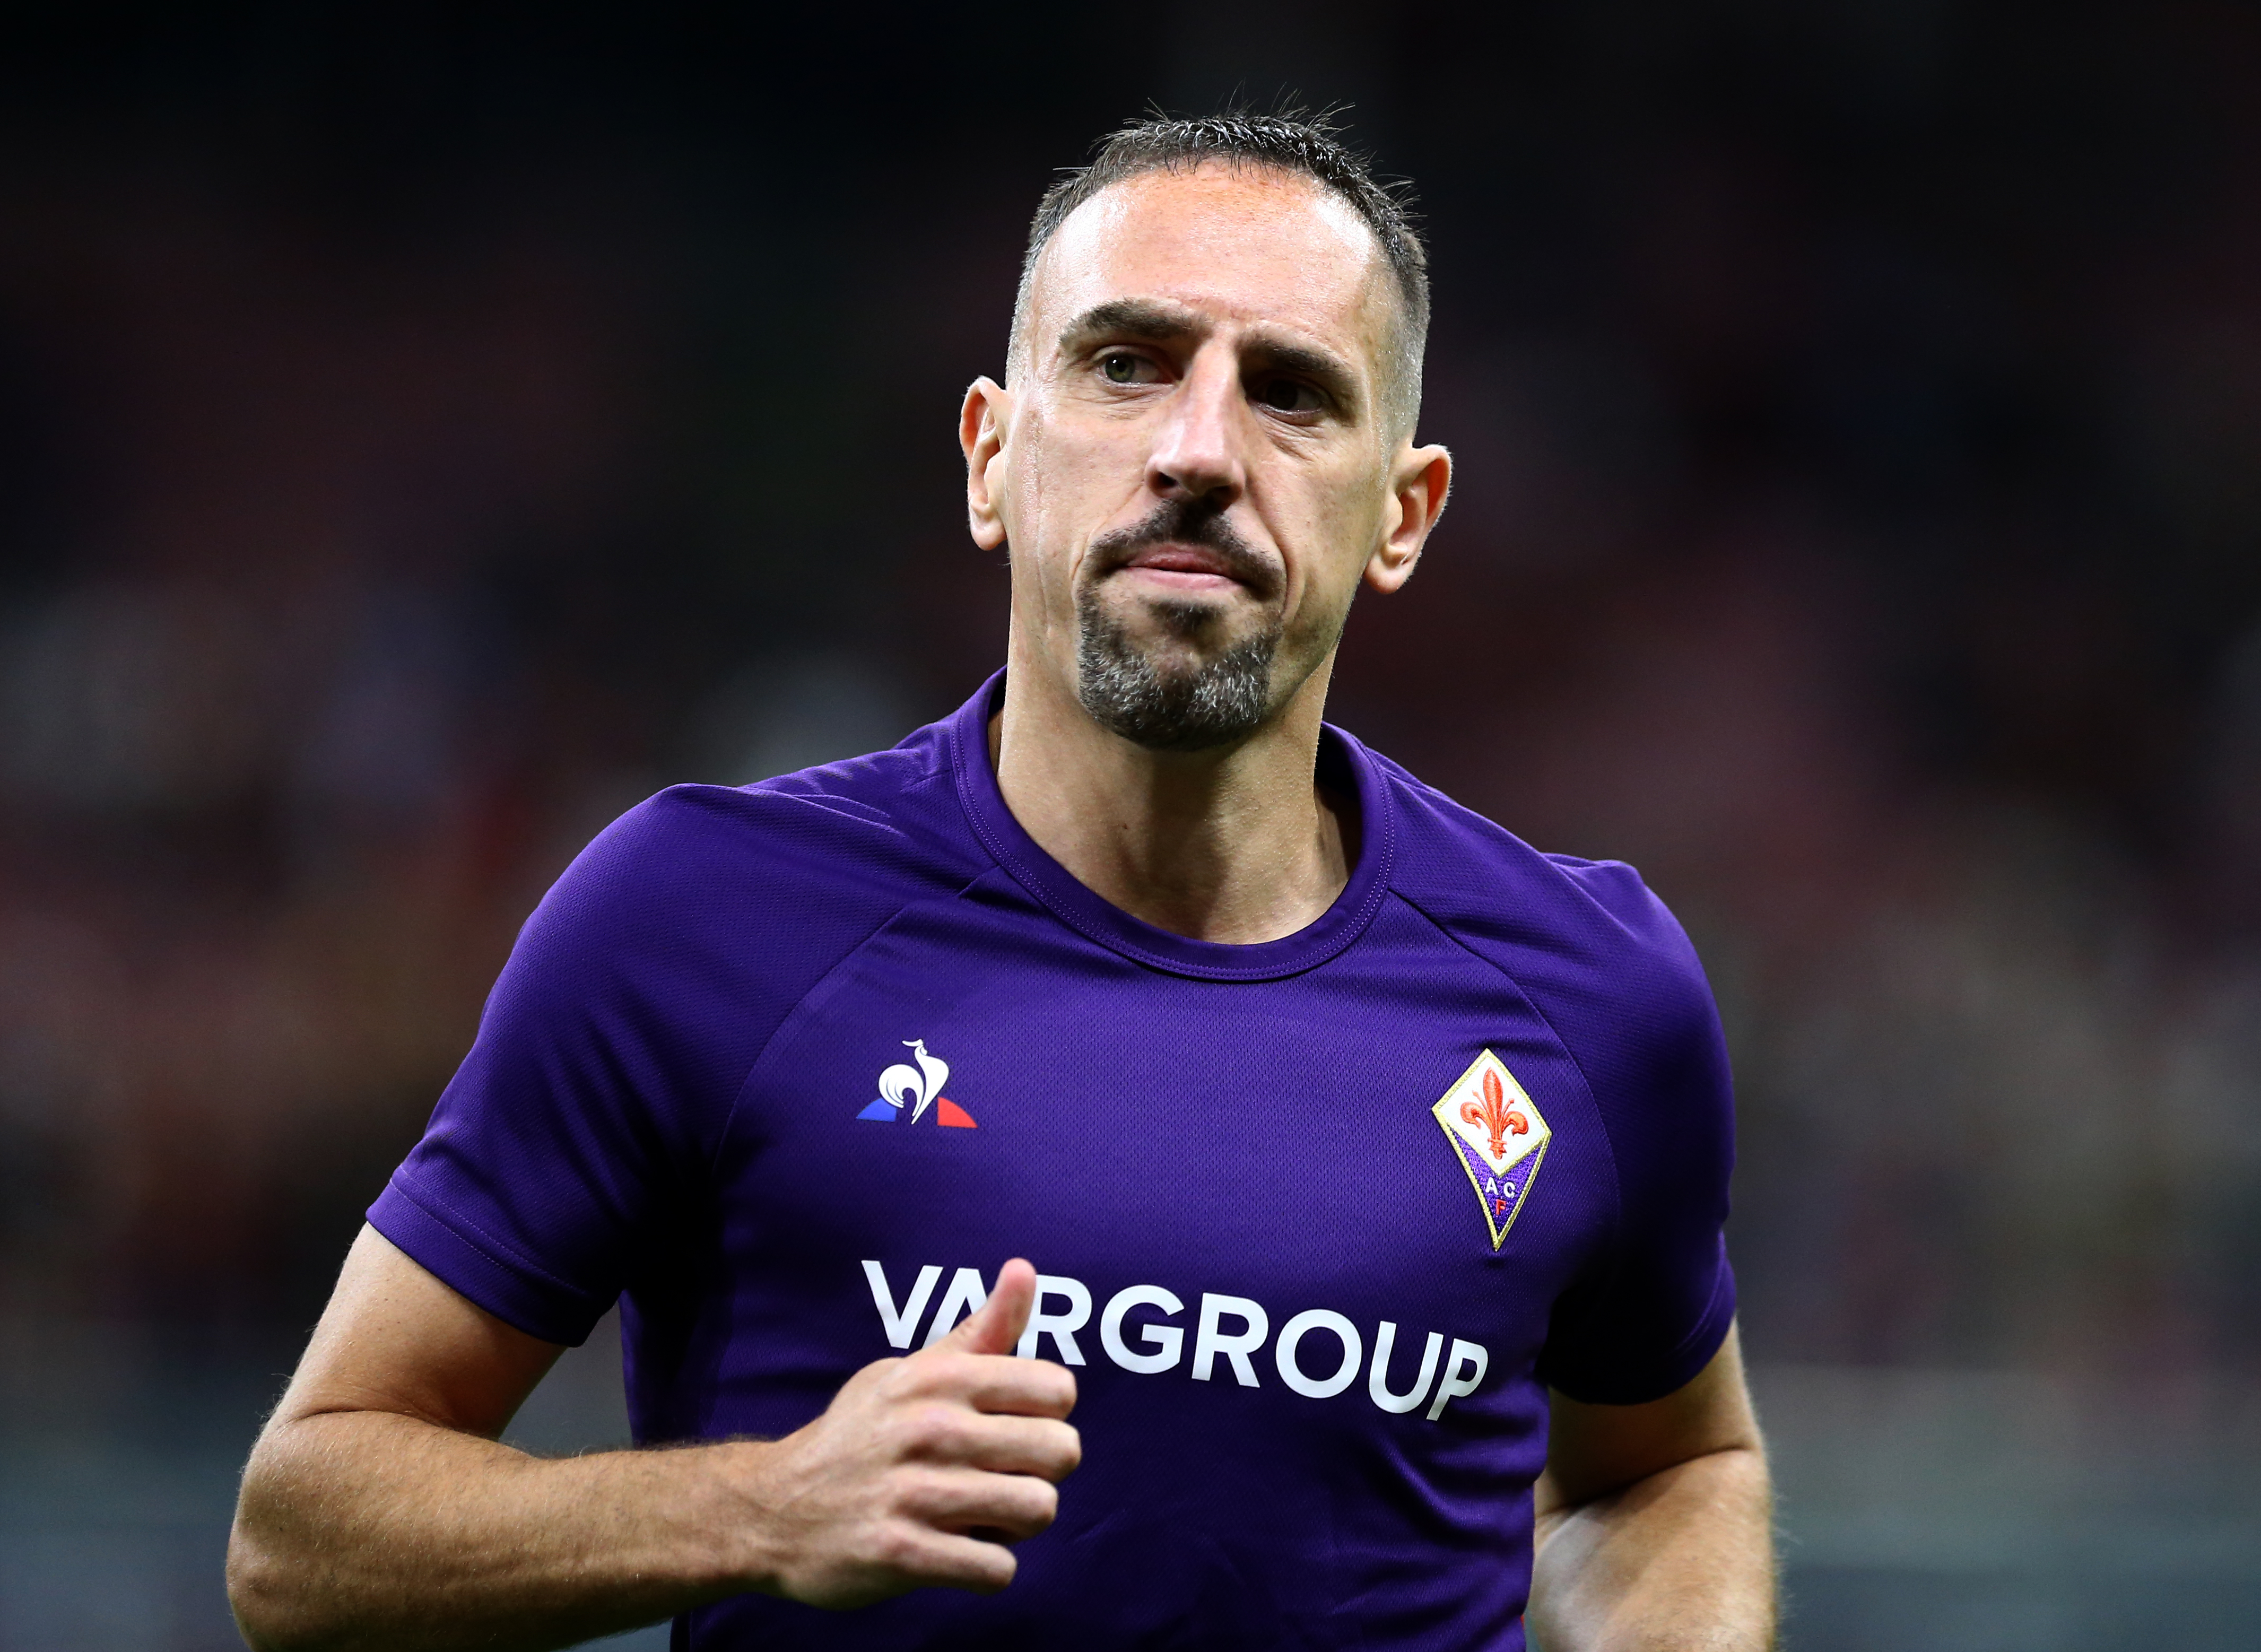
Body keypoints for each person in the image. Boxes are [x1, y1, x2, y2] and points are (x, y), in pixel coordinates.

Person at [227, 110, 1775, 1652]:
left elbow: (1667, 1467)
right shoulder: (699, 917)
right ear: (990, 457)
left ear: (1404, 515)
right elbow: (302, 1537)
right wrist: (760, 1506)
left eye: (1293, 394)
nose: (1198, 449)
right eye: (1127, 364)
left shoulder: (1589, 990)